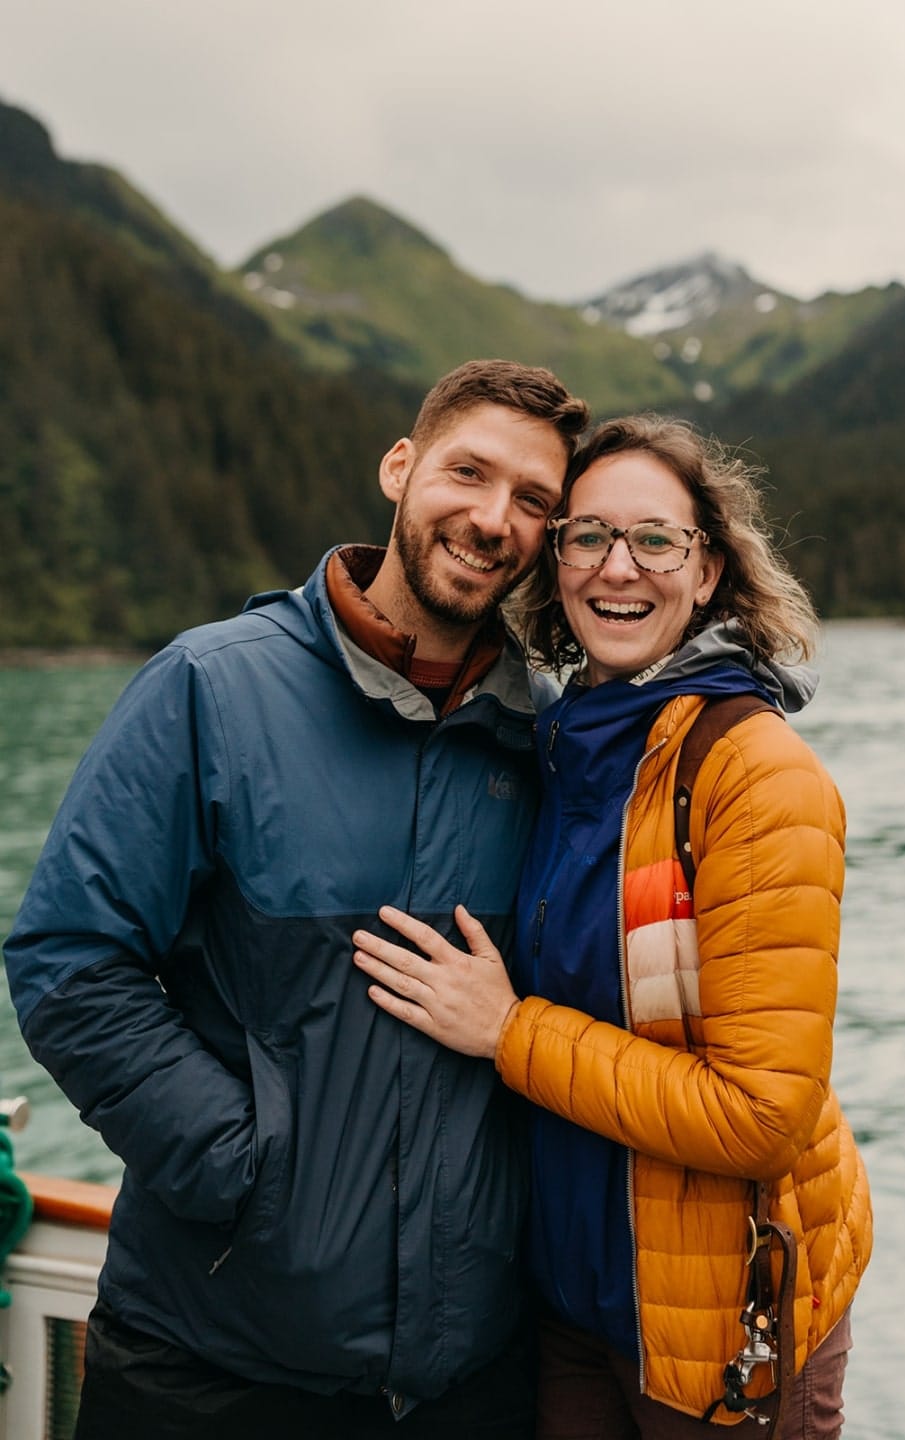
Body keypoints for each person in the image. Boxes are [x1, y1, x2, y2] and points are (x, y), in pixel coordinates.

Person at [3, 359, 590, 1440]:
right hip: (209, 1368)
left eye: (535, 502)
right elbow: (69, 959)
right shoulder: (209, 687)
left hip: (468, 1383)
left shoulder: (553, 739)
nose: (493, 517)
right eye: (469, 472)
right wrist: (247, 1168)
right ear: (400, 467)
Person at [352, 415, 873, 1439]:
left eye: (655, 540)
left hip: (724, 1318)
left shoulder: (756, 774)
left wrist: (510, 1033)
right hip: (572, 1304)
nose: (616, 568)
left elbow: (762, 1114)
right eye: (586, 536)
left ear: (709, 567)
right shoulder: (555, 742)